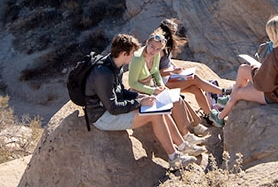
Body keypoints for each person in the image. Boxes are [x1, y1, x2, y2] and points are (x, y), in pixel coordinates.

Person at [85, 33, 205, 169]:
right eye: (132, 53)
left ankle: (182, 146)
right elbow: (113, 107)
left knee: (158, 109)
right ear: (124, 54)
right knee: (155, 114)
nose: (134, 56)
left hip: (111, 109)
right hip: (103, 117)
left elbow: (121, 91)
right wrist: (139, 103)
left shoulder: (115, 65)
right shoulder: (104, 73)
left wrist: (139, 97)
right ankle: (174, 158)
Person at [209, 16, 278, 127]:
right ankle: (229, 99)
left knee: (239, 93)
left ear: (274, 34)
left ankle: (220, 117)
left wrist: (257, 69)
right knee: (243, 68)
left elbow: (267, 82)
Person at [128, 28, 212, 140]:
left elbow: (155, 72)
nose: (153, 51)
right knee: (170, 101)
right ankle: (186, 135)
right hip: (139, 91)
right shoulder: (138, 59)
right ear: (147, 42)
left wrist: (160, 85)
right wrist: (154, 91)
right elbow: (132, 83)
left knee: (177, 98)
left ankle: (194, 126)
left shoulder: (156, 55)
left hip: (151, 86)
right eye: (152, 46)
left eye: (157, 49)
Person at [155, 19, 224, 121]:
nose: (174, 35)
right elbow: (155, 73)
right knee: (194, 78)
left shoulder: (166, 45)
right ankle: (223, 94)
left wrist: (176, 68)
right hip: (163, 83)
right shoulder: (159, 48)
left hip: (169, 78)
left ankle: (211, 116)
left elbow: (167, 62)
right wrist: (172, 71)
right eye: (172, 32)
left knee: (195, 89)